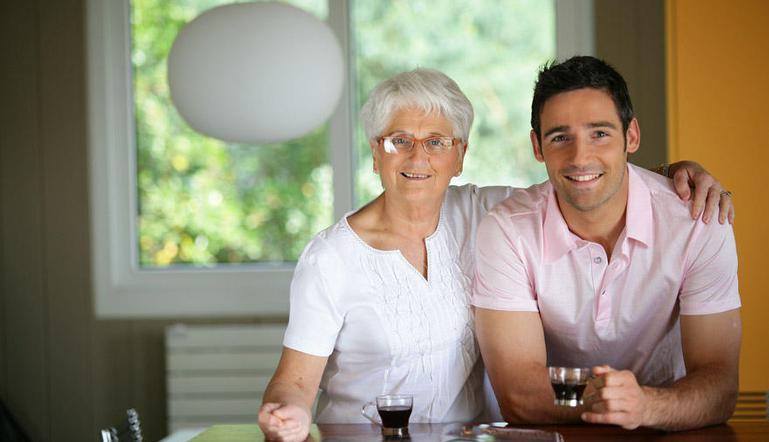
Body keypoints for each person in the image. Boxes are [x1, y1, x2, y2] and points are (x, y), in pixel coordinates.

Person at [257, 68, 734, 442]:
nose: (417, 158)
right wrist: (288, 416)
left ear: (460, 155)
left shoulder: (483, 212)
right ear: (376, 152)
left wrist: (676, 173)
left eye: (437, 142)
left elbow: (583, 180)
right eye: (399, 141)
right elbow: (294, 383)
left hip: (468, 438)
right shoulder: (331, 257)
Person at [472, 56, 741, 431]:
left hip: (668, 431)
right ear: (537, 146)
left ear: (631, 136)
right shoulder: (506, 230)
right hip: (559, 436)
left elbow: (720, 386)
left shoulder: (699, 220)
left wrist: (646, 407)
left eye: (599, 133)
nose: (580, 157)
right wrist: (612, 400)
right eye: (560, 137)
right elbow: (519, 394)